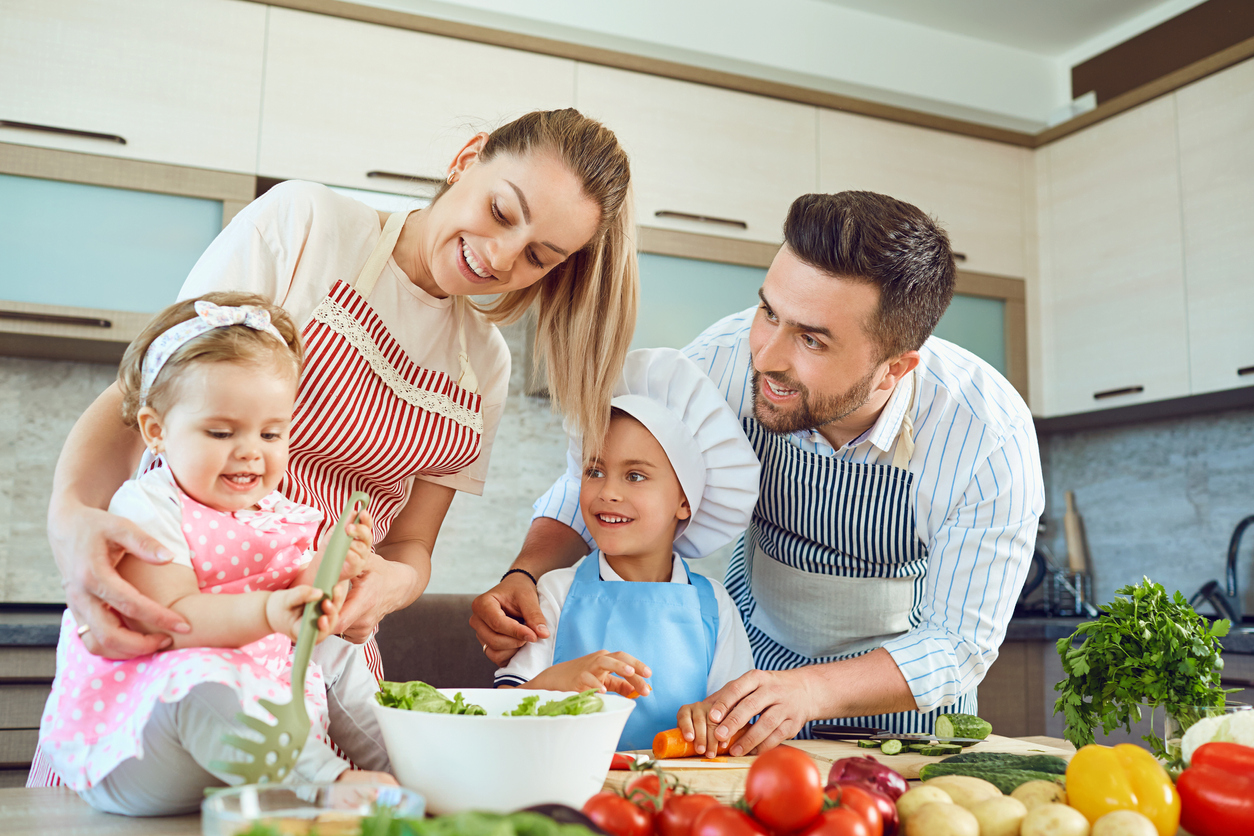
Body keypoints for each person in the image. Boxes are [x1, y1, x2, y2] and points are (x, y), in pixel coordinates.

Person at [33, 107, 636, 787]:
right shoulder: (305, 225)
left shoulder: (485, 365)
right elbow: (146, 394)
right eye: (501, 210)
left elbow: (411, 545)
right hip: (182, 609)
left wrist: (390, 583)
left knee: (331, 798)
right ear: (468, 157)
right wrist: (68, 516)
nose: (500, 256)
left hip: (318, 644)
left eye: (537, 257)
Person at [473, 191, 1045, 757]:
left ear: (894, 368)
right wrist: (526, 573)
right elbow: (599, 481)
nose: (767, 356)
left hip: (902, 712)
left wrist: (812, 691)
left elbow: (957, 645)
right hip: (753, 671)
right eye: (769, 311)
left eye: (812, 339)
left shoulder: (986, 438)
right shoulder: (720, 364)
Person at [39, 294, 394, 815]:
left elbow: (297, 596)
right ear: (156, 431)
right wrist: (270, 613)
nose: (251, 450)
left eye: (272, 433)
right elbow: (176, 618)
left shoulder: (274, 511)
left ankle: (419, 767)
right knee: (204, 673)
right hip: (144, 747)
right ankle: (325, 778)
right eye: (222, 432)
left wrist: (329, 567)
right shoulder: (148, 506)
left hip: (228, 751)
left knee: (337, 655)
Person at [493, 348, 759, 750]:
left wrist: (713, 722)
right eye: (594, 471)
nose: (609, 492)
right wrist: (558, 683)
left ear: (684, 501)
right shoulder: (555, 593)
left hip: (675, 801)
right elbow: (499, 714)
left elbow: (738, 723)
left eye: (635, 475)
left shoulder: (715, 607)